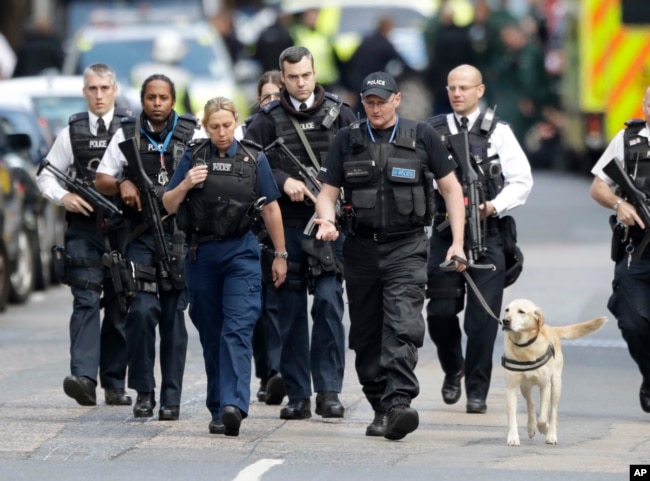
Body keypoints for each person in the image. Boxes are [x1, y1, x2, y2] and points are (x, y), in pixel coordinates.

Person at [314, 71, 467, 440]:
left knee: (402, 325)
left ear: (397, 100)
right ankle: (380, 406)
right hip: (361, 249)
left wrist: (457, 243)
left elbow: (451, 188)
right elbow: (327, 192)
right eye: (369, 102)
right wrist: (326, 220)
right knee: (366, 336)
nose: (375, 108)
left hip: (408, 247)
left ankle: (399, 403)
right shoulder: (347, 140)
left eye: (382, 101)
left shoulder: (422, 137)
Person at [162, 96, 287, 436]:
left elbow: (271, 209)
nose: (221, 132)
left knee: (238, 326)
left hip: (240, 252)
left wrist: (280, 254)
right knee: (212, 332)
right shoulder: (194, 155)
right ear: (205, 126)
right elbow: (169, 204)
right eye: (214, 126)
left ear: (236, 123)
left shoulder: (252, 157)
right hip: (201, 254)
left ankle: (234, 404)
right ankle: (218, 407)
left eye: (227, 125)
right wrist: (187, 183)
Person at [245, 46, 356, 420]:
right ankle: (297, 394)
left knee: (327, 303)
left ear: (314, 72)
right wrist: (282, 179)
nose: (300, 82)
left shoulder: (341, 113)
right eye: (292, 77)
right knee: (290, 312)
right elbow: (248, 167)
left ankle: (328, 391)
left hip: (329, 227)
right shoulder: (265, 120)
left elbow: (359, 164)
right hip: (288, 226)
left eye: (306, 75)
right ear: (283, 77)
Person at [425, 64, 533, 414]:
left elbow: (522, 181)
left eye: (464, 88)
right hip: (444, 233)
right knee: (440, 313)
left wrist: (492, 206)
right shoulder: (432, 130)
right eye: (452, 87)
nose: (457, 93)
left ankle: (476, 389)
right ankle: (453, 367)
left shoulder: (498, 132)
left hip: (487, 233)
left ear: (480, 91)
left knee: (482, 320)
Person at [94, 74, 200, 421]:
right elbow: (102, 179)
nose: (157, 104)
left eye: (164, 98)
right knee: (140, 313)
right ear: (142, 100)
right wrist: (123, 182)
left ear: (173, 100)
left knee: (173, 319)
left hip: (178, 237)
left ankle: (171, 398)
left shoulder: (191, 133)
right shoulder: (126, 134)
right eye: (151, 97)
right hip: (139, 237)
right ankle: (144, 392)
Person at [36, 63, 132, 407]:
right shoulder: (72, 132)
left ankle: (115, 382)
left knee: (122, 304)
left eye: (105, 88)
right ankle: (84, 378)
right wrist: (65, 197)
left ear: (115, 90)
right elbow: (45, 175)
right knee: (86, 300)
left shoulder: (129, 129)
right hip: (85, 228)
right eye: (92, 88)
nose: (99, 95)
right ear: (84, 92)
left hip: (124, 229)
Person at [589, 86, 650, 414]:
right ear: (644, 107)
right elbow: (598, 185)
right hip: (637, 250)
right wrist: (619, 204)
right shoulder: (628, 141)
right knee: (633, 322)